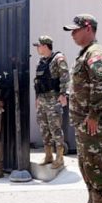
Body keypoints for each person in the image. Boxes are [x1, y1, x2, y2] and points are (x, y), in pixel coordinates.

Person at [63, 14, 102, 203]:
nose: (72, 34)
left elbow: (101, 83)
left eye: (75, 30)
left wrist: (94, 114)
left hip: (93, 120)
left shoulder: (96, 53)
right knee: (85, 162)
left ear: (88, 28)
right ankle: (92, 201)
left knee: (95, 162)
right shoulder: (85, 53)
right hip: (82, 120)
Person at [32, 35, 69, 170]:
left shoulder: (58, 59)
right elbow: (37, 81)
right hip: (42, 99)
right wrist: (37, 98)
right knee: (44, 128)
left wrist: (63, 94)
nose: (37, 48)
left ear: (45, 45)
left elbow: (65, 77)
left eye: (39, 45)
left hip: (54, 99)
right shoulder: (41, 62)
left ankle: (59, 158)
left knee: (55, 128)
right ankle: (48, 155)